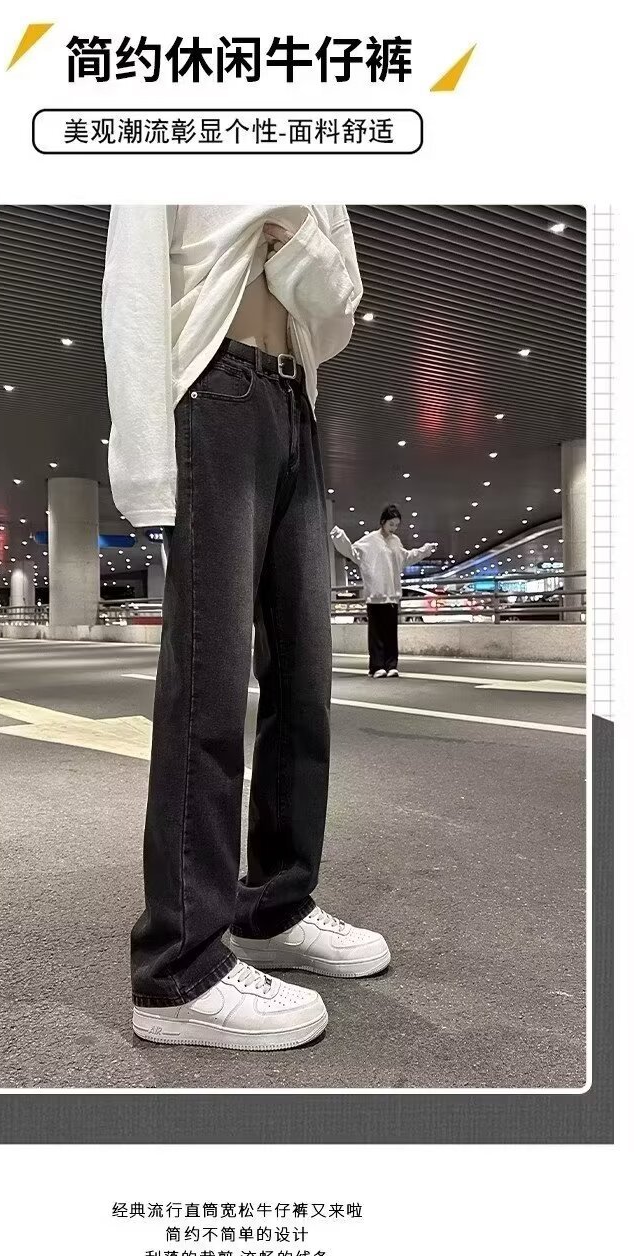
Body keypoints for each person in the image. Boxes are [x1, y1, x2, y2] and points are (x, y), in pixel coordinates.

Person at [102, 206, 391, 1053]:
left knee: (306, 683)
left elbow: (338, 314)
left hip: (296, 404)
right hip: (213, 388)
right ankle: (177, 969)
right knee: (210, 682)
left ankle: (275, 905)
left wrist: (296, 232)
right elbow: (133, 285)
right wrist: (147, 470)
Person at [331, 506, 437, 677]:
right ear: (383, 522)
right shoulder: (370, 540)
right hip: (375, 595)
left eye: (396, 525)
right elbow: (352, 552)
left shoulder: (396, 541)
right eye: (391, 524)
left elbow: (406, 557)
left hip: (392, 595)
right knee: (377, 633)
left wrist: (425, 551)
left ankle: (391, 665)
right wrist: (339, 537)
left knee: (390, 633)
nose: (393, 528)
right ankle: (376, 666)